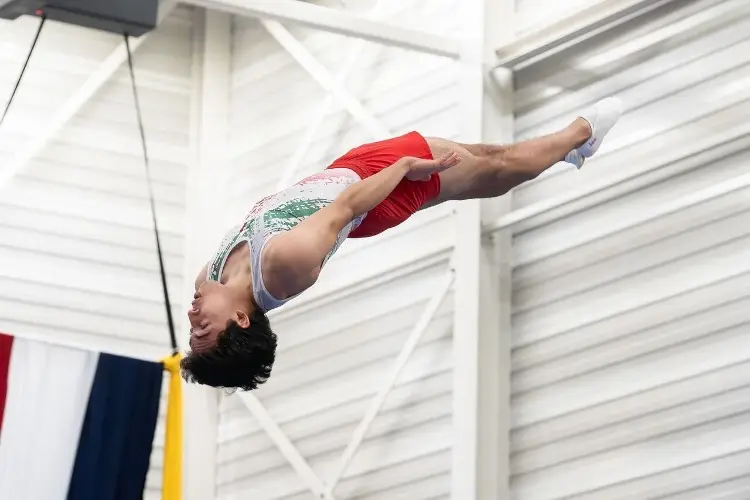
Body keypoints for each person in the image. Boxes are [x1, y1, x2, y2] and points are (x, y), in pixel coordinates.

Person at [181, 97, 624, 391]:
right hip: (378, 191)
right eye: (204, 328)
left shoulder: (209, 275)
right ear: (242, 318)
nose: (193, 316)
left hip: (348, 168)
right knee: (493, 169)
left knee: (485, 155)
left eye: (192, 329)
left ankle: (560, 152)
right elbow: (348, 206)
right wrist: (405, 167)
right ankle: (581, 135)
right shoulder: (285, 266)